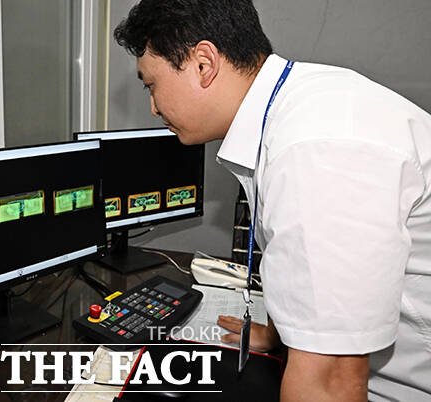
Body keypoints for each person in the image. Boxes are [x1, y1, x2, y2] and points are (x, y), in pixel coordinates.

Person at [114, 0, 431, 401]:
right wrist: (283, 332)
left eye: (151, 84)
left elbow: (331, 382)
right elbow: (315, 275)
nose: (153, 107)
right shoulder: (298, 108)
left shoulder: (318, 150)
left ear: (204, 64)